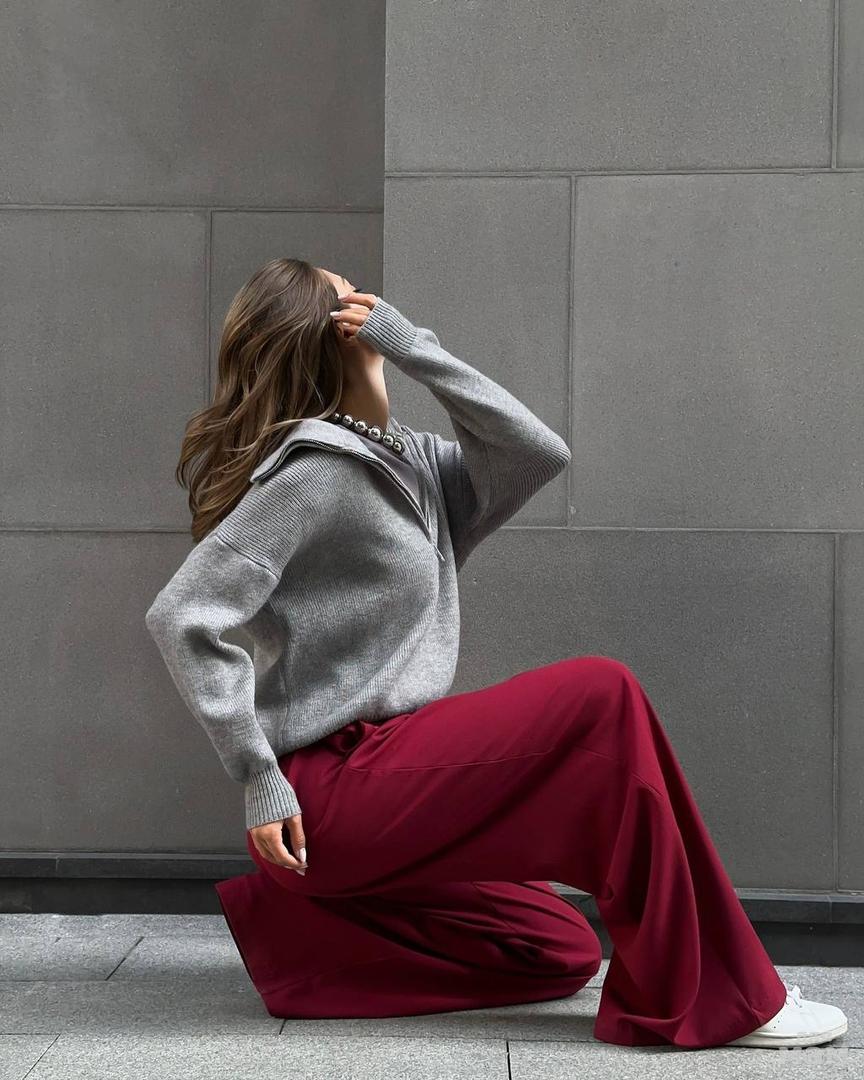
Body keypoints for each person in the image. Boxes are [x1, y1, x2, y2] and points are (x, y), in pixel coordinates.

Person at [144, 257, 846, 1050]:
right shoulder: (313, 476)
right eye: (354, 299)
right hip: (330, 790)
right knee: (601, 693)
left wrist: (414, 347)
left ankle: (301, 943)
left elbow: (537, 453)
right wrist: (258, 774)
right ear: (334, 333)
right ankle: (725, 997)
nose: (373, 304)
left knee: (558, 947)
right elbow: (183, 613)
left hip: (385, 776)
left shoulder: (415, 464)